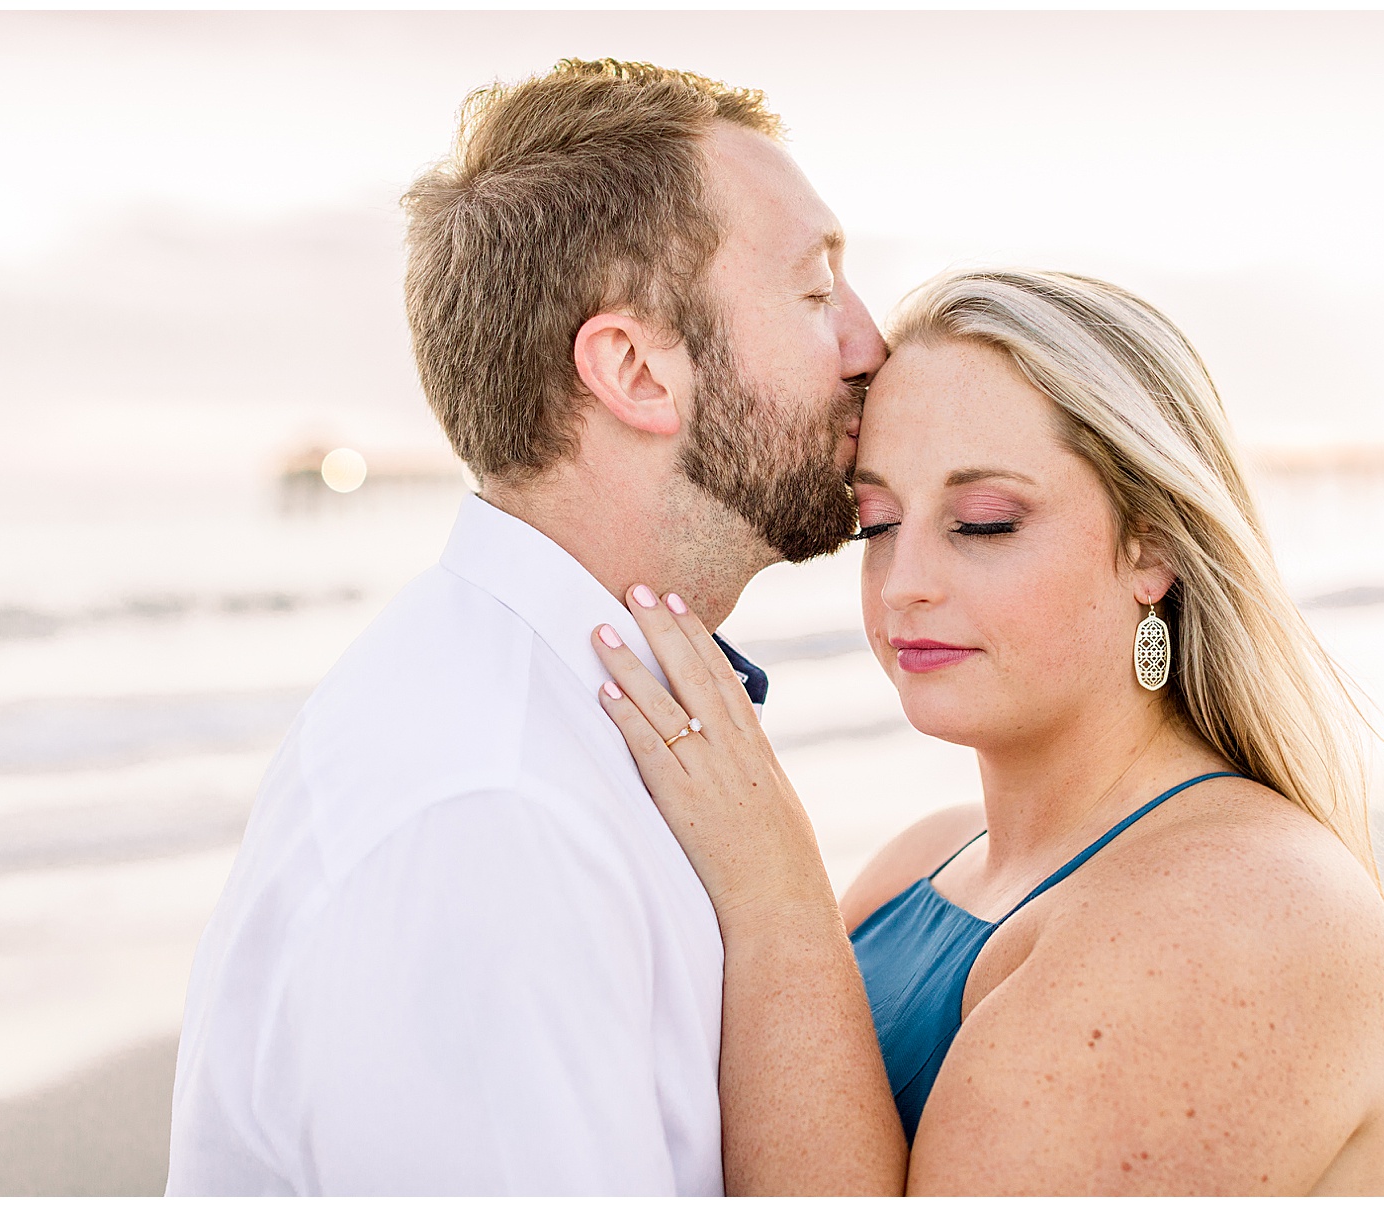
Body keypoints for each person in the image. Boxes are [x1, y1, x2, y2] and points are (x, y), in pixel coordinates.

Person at [165, 59, 885, 1194]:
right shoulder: (491, 811)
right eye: (814, 293)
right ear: (638, 369)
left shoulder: (591, 721)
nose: (868, 344)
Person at [590, 268, 1384, 1194]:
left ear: (1150, 547)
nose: (905, 580)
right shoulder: (928, 857)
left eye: (983, 522)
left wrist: (775, 893)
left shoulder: (1247, 909)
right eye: (878, 522)